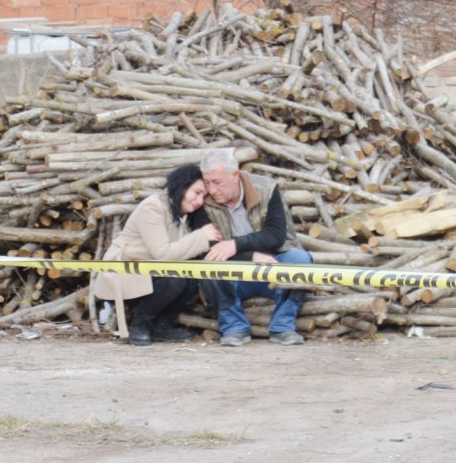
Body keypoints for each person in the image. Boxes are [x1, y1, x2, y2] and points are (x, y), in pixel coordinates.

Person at [196, 148, 313, 347]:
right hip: (233, 271)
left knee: (301, 260)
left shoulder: (267, 188)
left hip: (273, 264)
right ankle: (234, 327)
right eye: (207, 183)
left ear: (235, 175)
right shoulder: (203, 200)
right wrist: (250, 256)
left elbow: (276, 235)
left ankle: (282, 327)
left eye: (217, 182)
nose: (212, 190)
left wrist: (236, 245)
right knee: (209, 268)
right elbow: (210, 249)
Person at [96, 165, 222, 345]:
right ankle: (140, 323)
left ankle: (163, 324)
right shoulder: (152, 207)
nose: (199, 201)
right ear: (182, 185)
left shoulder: (181, 211)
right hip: (127, 271)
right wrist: (201, 236)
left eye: (204, 196)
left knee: (193, 275)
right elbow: (163, 254)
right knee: (174, 279)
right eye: (197, 192)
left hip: (151, 271)